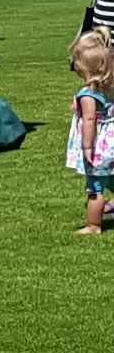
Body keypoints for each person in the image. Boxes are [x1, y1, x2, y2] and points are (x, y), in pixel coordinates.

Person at [67, 28, 114, 234]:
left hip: (99, 146)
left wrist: (87, 147)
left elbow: (89, 120)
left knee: (95, 188)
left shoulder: (89, 94)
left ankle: (94, 225)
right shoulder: (110, 86)